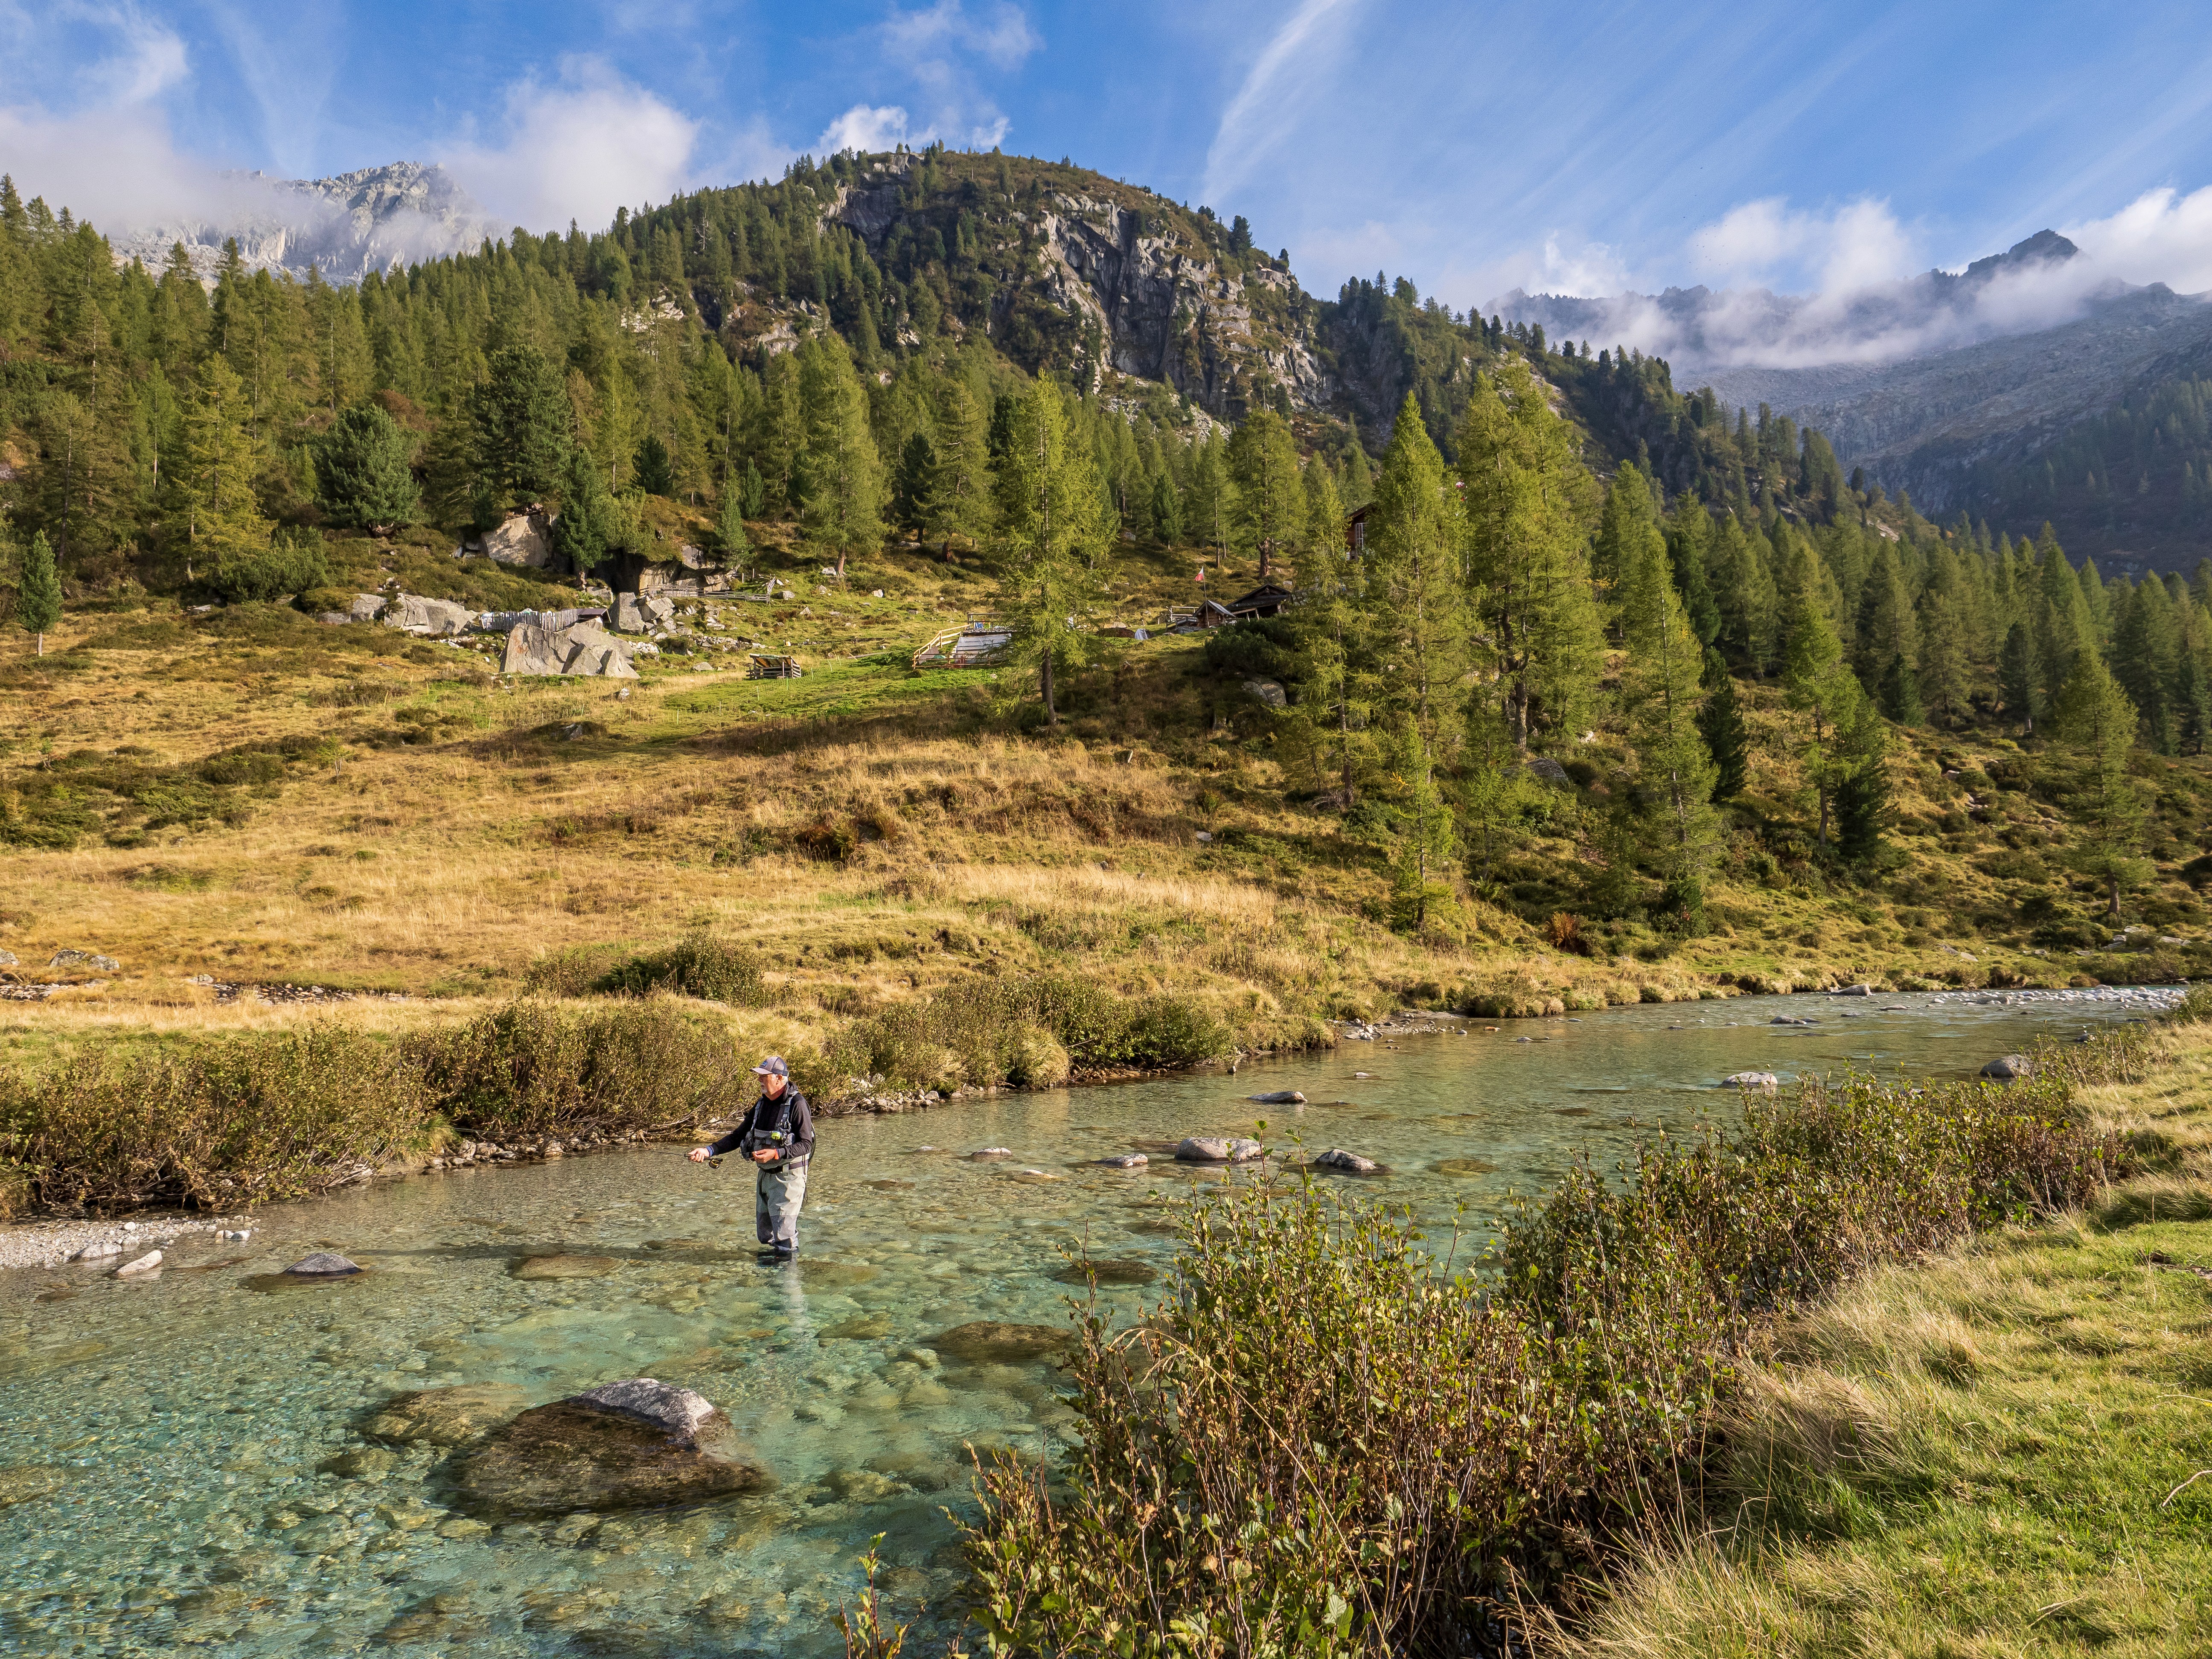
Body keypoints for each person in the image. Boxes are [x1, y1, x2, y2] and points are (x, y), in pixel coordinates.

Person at [690, 1056, 814, 1259]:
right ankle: (772, 1278)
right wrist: (709, 1151)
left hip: (789, 1178)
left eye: (764, 1077)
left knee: (785, 1237)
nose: (759, 1081)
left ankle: (789, 1281)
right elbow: (738, 1136)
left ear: (779, 1079)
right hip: (765, 1177)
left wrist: (776, 1153)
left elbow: (806, 1144)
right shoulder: (760, 1106)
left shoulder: (798, 1105)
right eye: (759, 1076)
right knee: (765, 1236)